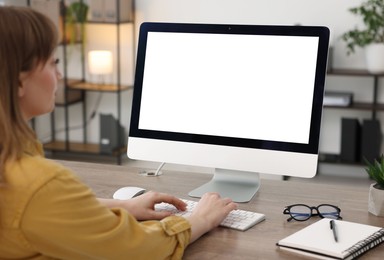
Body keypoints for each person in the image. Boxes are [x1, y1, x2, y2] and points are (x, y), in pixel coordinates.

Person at [0, 6, 237, 259]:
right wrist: (199, 219)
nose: (59, 74)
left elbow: (42, 209)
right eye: (52, 62)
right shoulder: (38, 183)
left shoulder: (19, 173)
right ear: (19, 81)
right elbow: (137, 249)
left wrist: (124, 205)